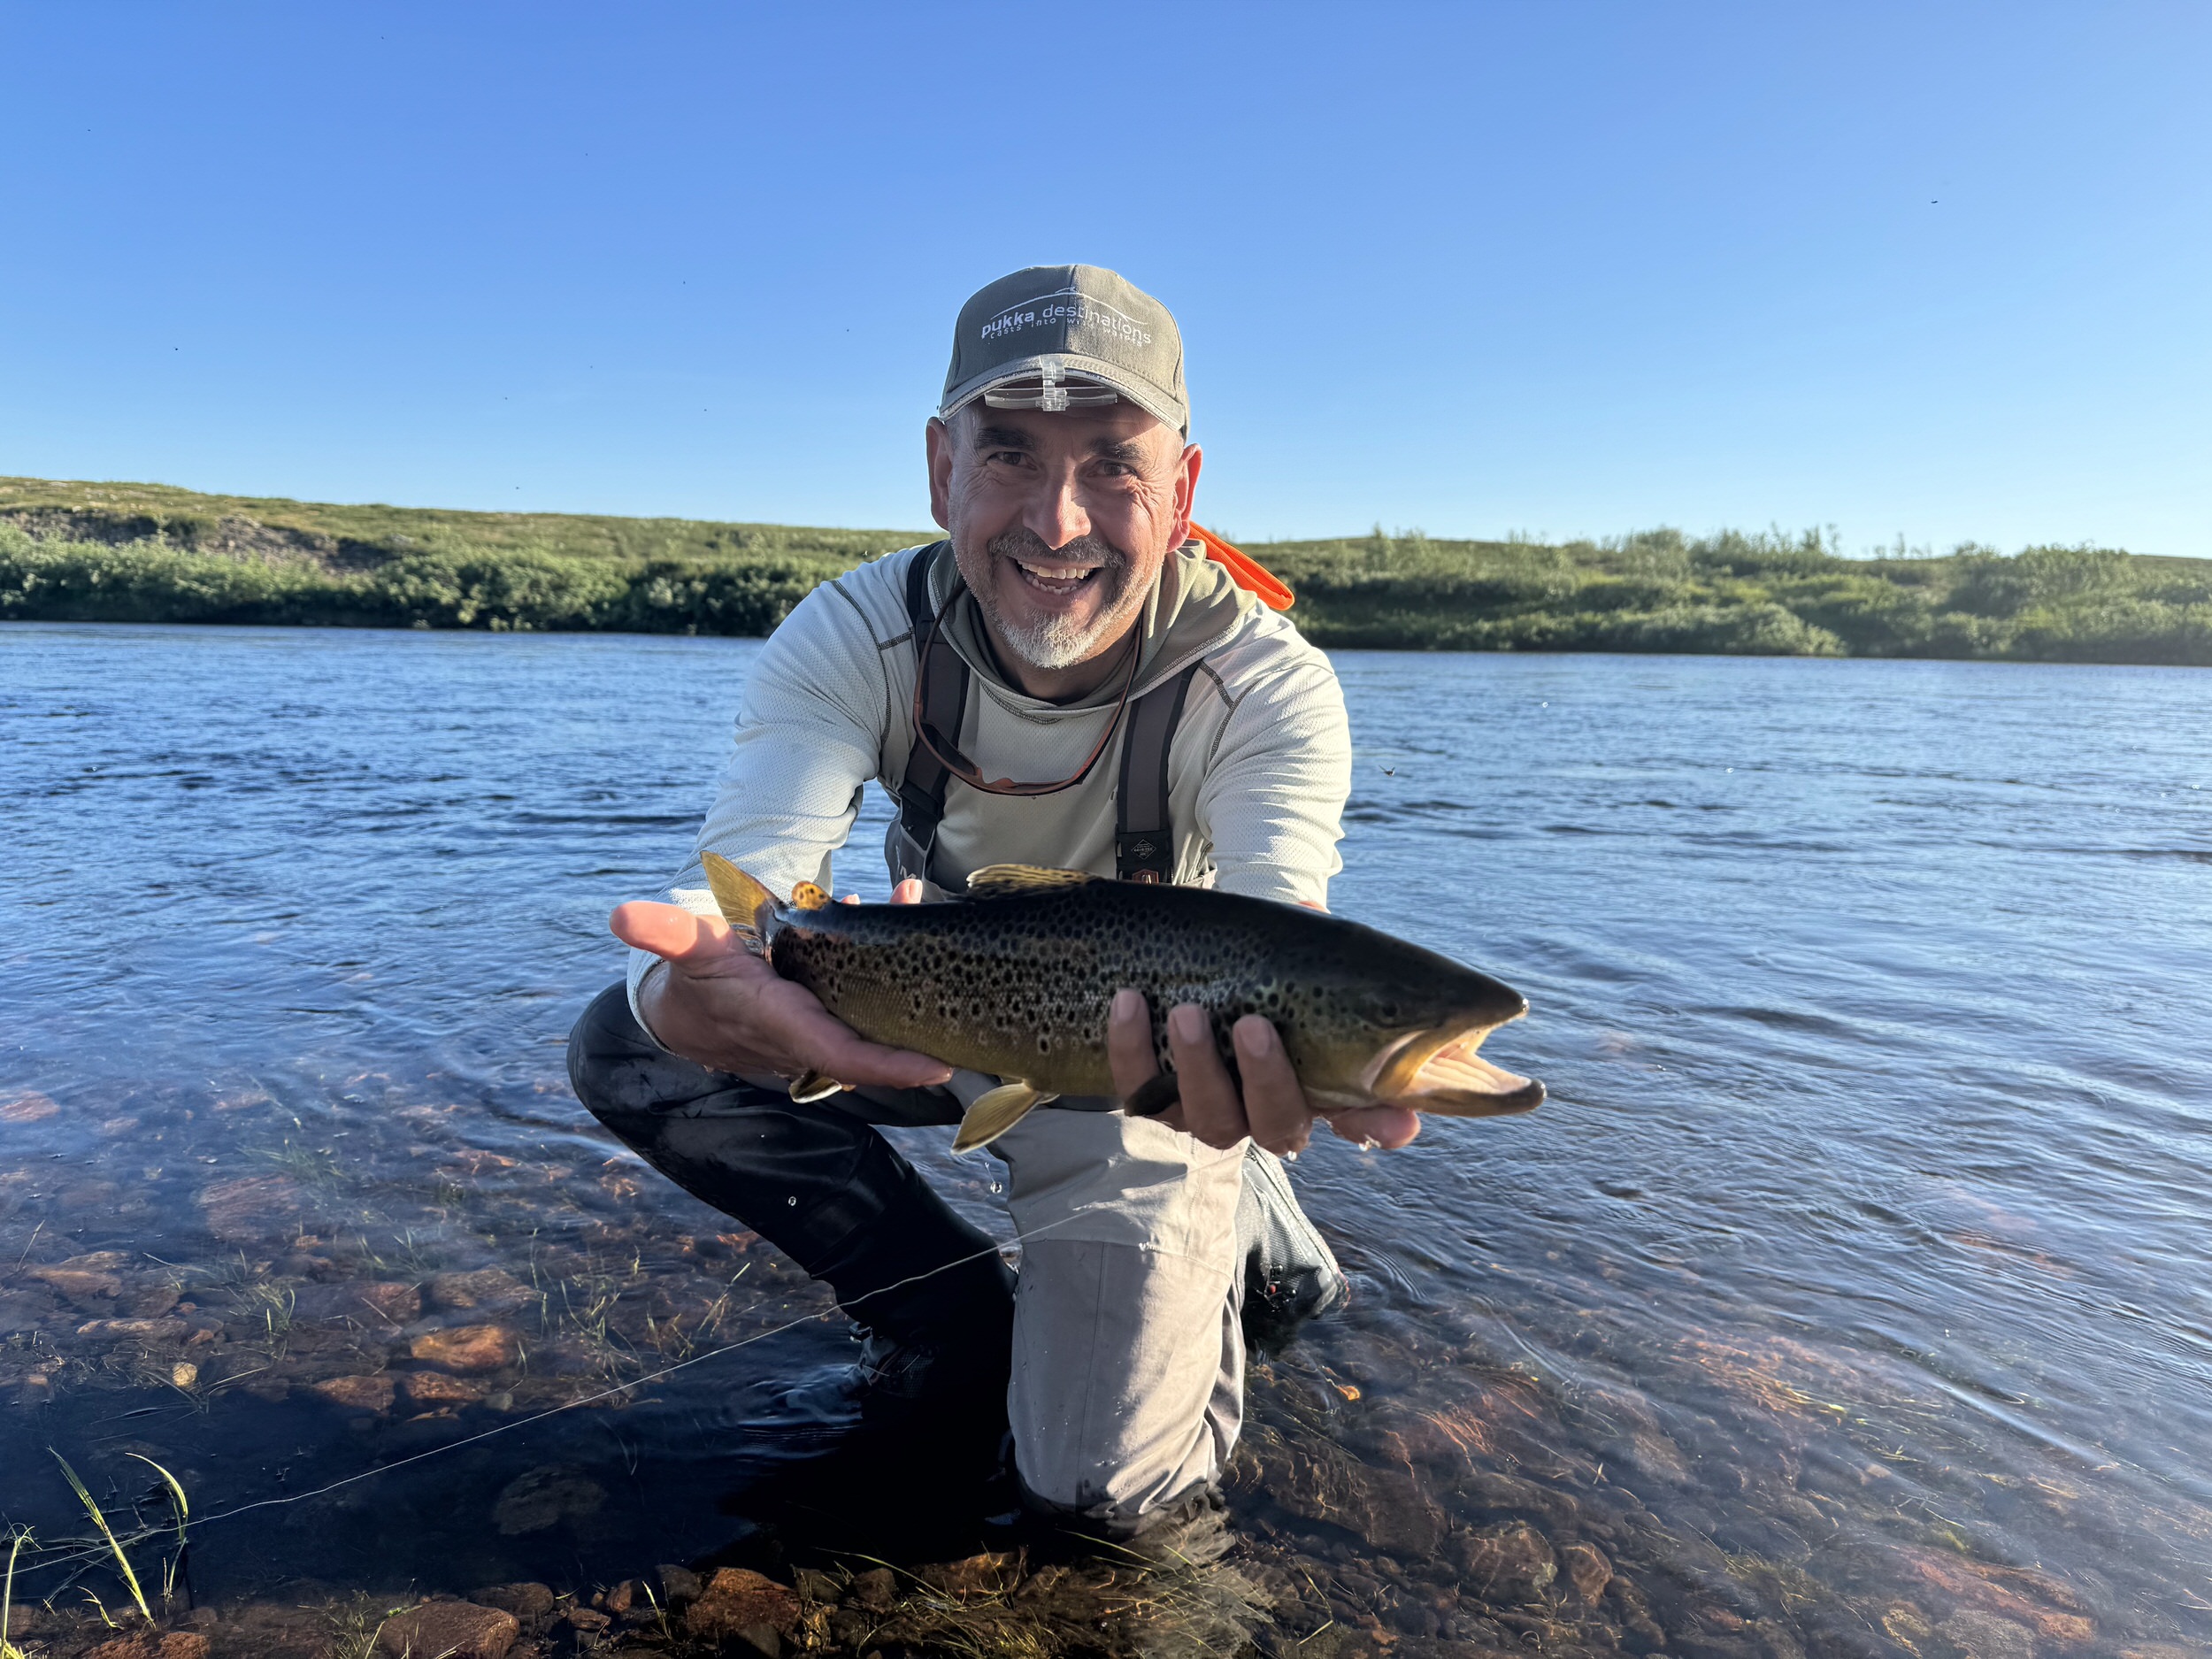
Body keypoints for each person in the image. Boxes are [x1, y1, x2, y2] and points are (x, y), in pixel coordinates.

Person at [566, 265, 1424, 1548]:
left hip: (1146, 1075)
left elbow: (1276, 924)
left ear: (1183, 490)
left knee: (1099, 1509)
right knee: (632, 1043)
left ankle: (1246, 1221)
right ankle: (946, 1316)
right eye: (1009, 453)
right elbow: (751, 879)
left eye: (1115, 465)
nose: (1057, 521)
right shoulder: (853, 634)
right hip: (925, 1011)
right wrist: (701, 980)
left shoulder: (1263, 685)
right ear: (941, 471)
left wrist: (1289, 1061)